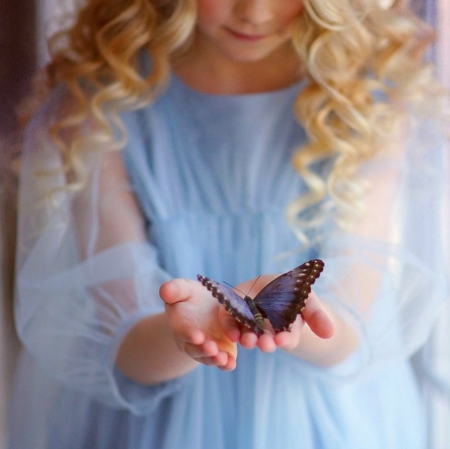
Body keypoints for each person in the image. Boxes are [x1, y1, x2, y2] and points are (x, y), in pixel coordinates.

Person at [8, 0, 449, 448]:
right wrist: (186, 332)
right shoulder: (101, 102)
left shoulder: (364, 100)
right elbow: (128, 350)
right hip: (157, 425)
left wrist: (298, 322)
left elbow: (352, 328)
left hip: (323, 420)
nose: (253, 12)